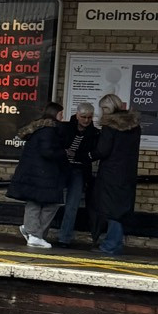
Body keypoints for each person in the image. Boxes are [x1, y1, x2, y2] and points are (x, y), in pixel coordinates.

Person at [6, 100, 65, 250]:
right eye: (61, 114)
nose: (63, 117)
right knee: (50, 203)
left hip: (34, 173)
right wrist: (63, 153)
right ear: (55, 114)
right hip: (43, 174)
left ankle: (32, 232)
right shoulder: (49, 130)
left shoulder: (38, 128)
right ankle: (34, 235)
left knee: (35, 202)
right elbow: (47, 151)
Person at [92, 92, 141, 255]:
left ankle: (110, 244)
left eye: (102, 109)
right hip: (128, 173)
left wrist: (90, 155)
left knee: (111, 209)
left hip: (111, 173)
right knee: (120, 210)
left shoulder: (110, 126)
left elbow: (103, 150)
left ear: (107, 108)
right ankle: (116, 243)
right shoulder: (135, 126)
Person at [55, 100, 99, 247]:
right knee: (51, 201)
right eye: (84, 117)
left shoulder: (94, 134)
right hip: (62, 168)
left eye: (89, 117)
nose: (86, 120)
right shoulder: (65, 128)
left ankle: (64, 239)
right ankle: (39, 234)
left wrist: (76, 155)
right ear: (77, 115)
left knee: (72, 205)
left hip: (79, 170)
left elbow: (93, 153)